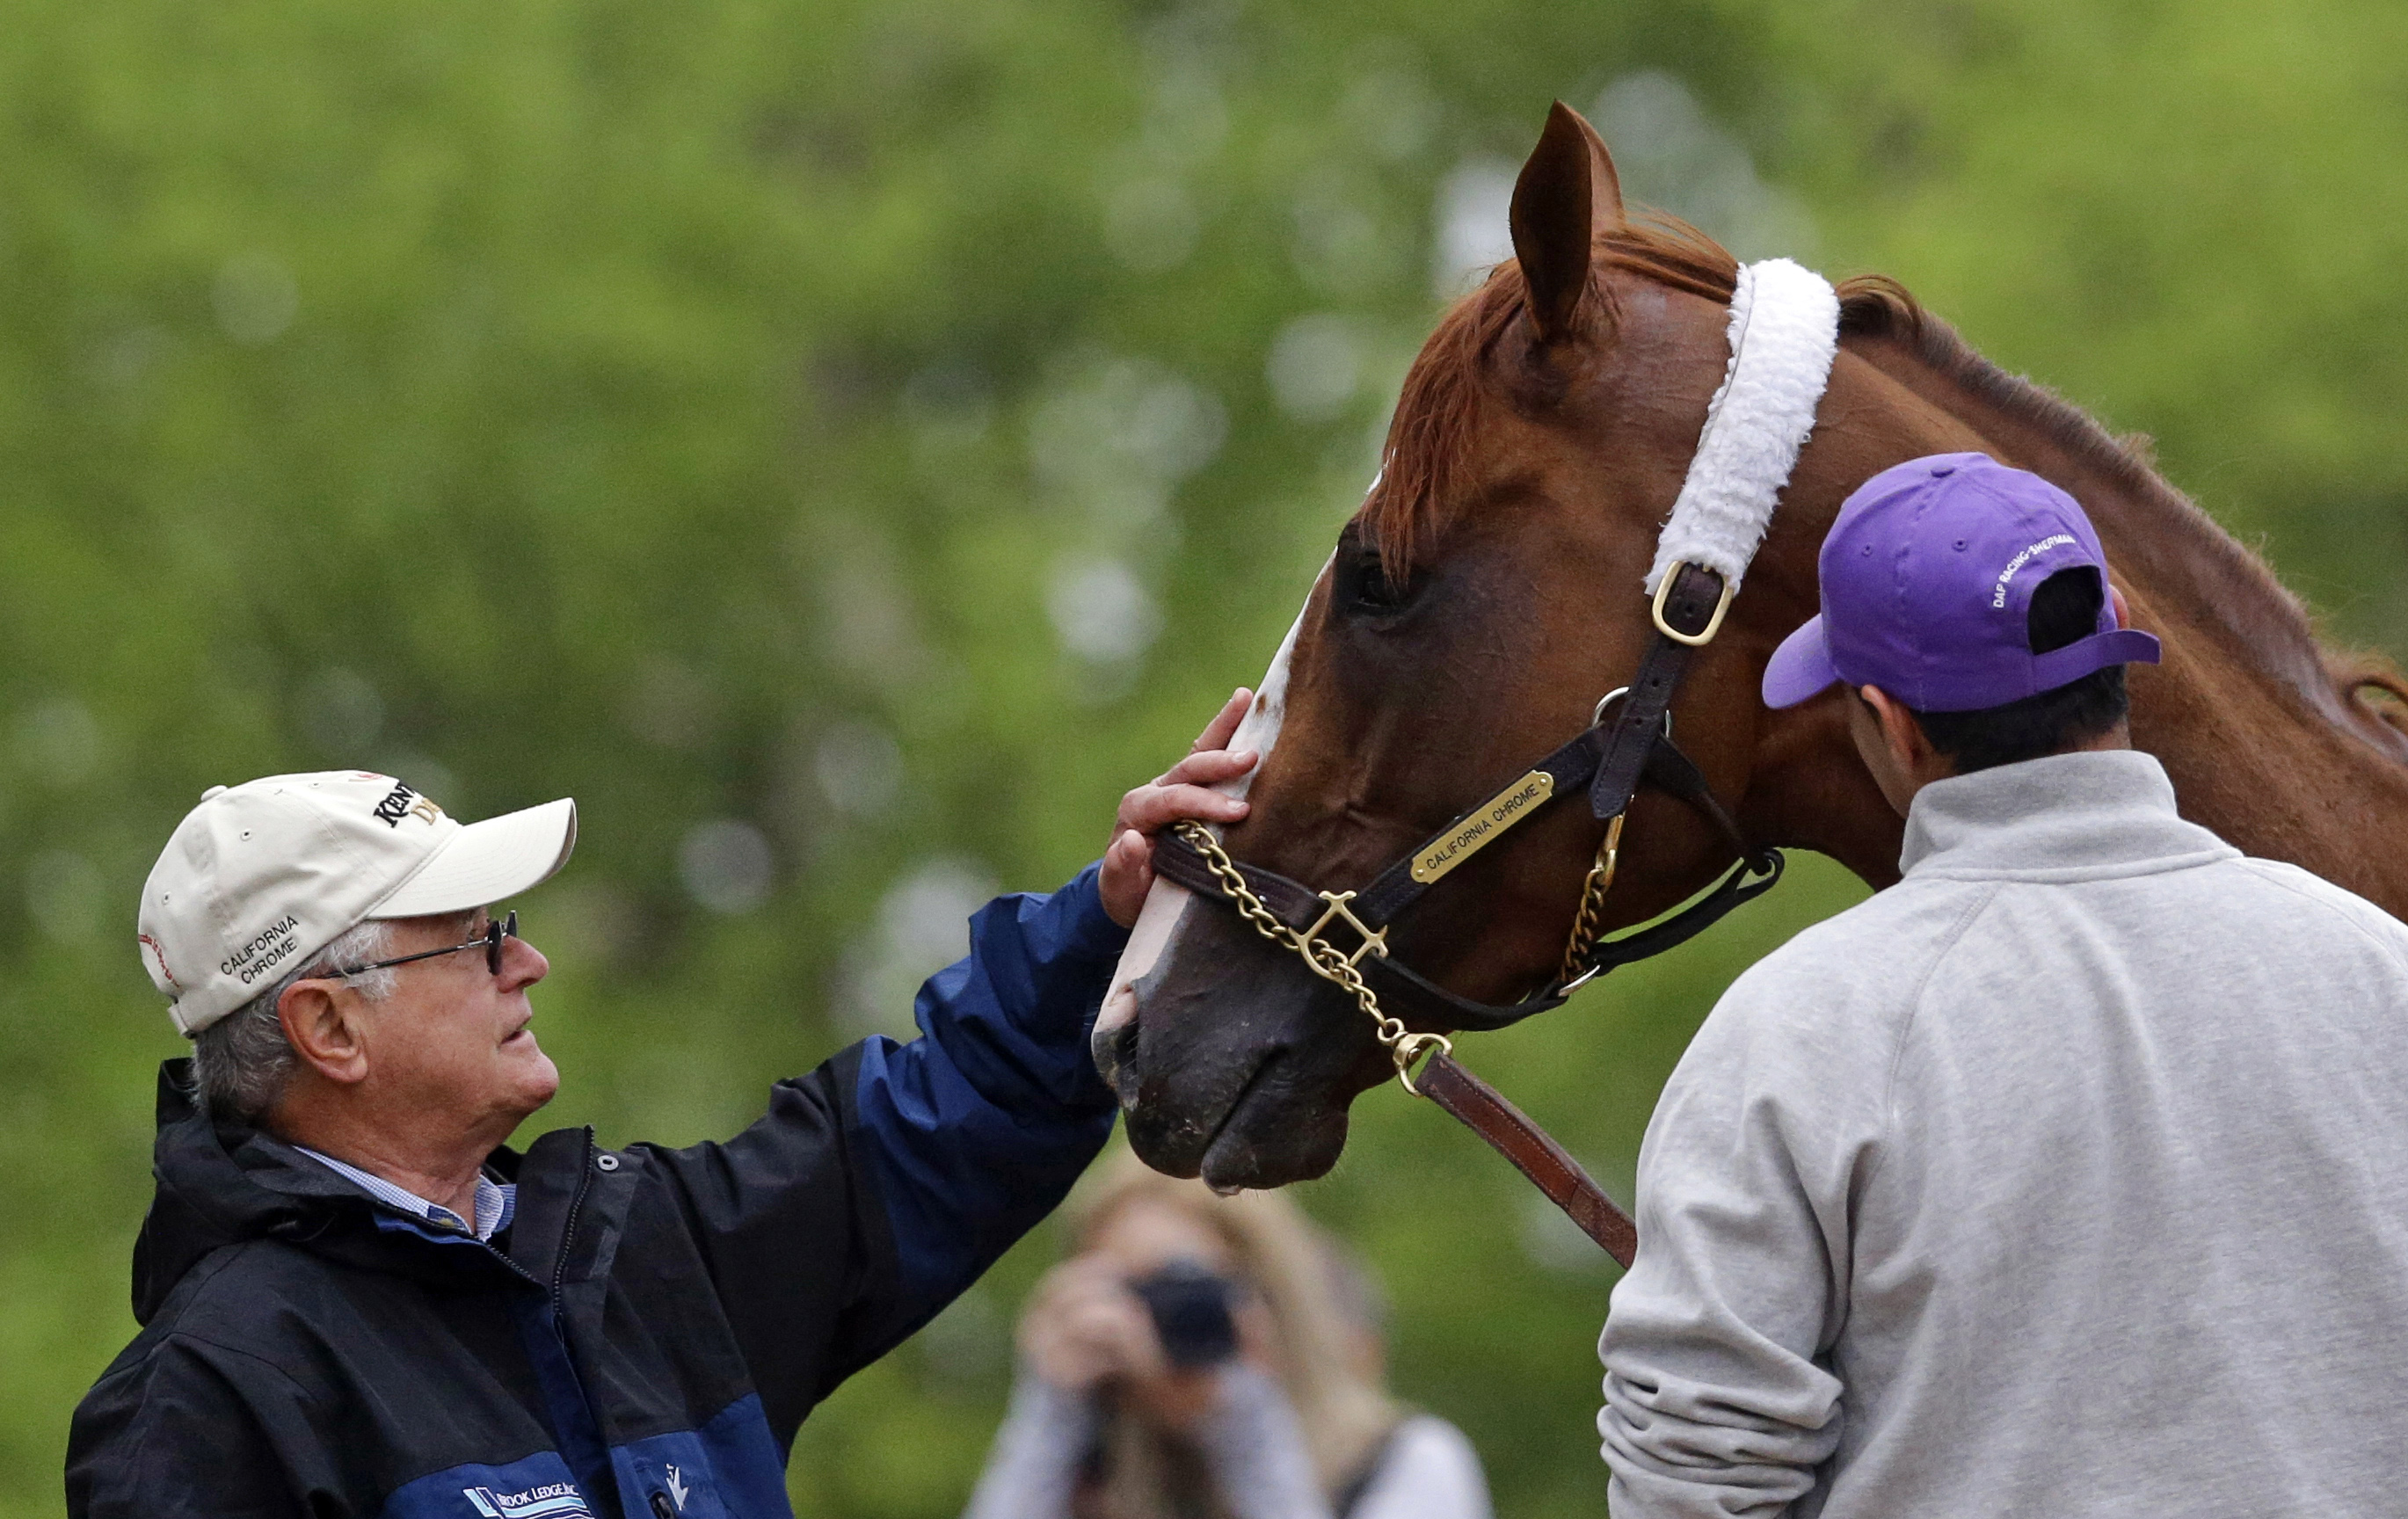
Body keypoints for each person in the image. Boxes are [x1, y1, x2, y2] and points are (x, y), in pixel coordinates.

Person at [66, 694, 1263, 1519]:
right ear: (327, 1028)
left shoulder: (638, 1254)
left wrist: (1112, 920)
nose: (525, 965)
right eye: (479, 939)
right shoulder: (208, 1398)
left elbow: (950, 1114)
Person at [1597, 453, 2408, 1516]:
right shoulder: (2377, 964)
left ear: (1888, 721)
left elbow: (1692, 1479)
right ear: (2114, 629)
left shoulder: (1798, 1030)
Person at [964, 1151, 1492, 1519]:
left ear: (1273, 1297)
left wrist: (1244, 1427)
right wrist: (1050, 1415)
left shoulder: (1402, 1462)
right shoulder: (1086, 1478)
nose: (1155, 1324)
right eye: (1132, 1293)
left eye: (1187, 1288)